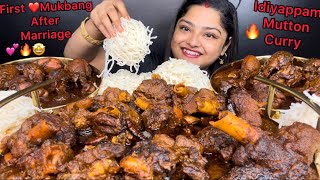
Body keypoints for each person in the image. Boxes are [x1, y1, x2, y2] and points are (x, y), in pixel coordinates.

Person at [64, 0, 238, 76]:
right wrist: (95, 26)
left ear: (225, 45)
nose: (192, 42)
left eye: (209, 35)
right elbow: (77, 60)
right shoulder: (144, 66)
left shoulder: (232, 88)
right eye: (185, 28)